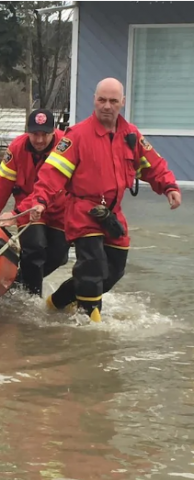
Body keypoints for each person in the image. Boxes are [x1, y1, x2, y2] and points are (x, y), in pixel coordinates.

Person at [27, 78, 182, 322]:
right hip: (82, 209)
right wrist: (40, 201)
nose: (107, 106)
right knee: (92, 268)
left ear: (122, 102)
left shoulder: (131, 135)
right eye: (101, 100)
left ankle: (55, 303)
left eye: (112, 101)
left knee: (113, 271)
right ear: (94, 101)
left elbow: (153, 165)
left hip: (112, 213)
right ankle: (93, 331)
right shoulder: (77, 135)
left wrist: (169, 187)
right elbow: (52, 173)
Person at [0, 109, 70, 297]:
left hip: (59, 210)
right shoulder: (16, 149)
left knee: (59, 257)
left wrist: (15, 214)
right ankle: (33, 298)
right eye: (34, 134)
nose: (39, 140)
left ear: (54, 132)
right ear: (27, 131)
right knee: (35, 248)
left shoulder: (65, 147)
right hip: (29, 211)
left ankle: (18, 283)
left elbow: (55, 188)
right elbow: (1, 186)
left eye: (44, 134)